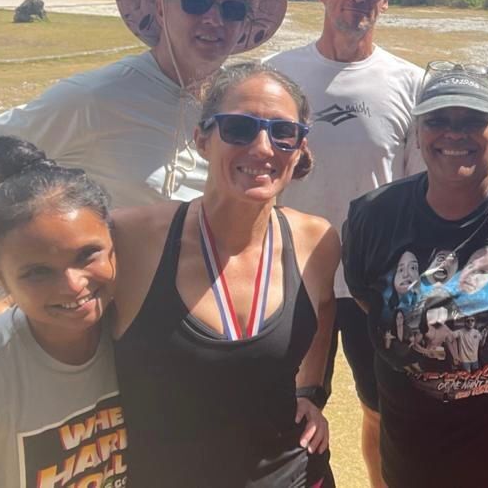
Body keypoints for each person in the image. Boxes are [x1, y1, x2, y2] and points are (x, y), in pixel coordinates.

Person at [0, 0, 288, 302]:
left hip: (210, 313)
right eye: (196, 1)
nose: (214, 19)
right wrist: (7, 288)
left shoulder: (235, 105)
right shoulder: (97, 97)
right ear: (159, 8)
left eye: (231, 9)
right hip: (120, 320)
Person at [109, 62, 340, 486]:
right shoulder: (133, 238)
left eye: (282, 132)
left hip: (292, 474)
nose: (263, 148)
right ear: (201, 139)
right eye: (239, 128)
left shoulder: (317, 241)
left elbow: (324, 307)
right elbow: (31, 304)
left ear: (299, 147)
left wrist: (310, 391)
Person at [342, 63, 488, 488]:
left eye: (473, 121)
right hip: (411, 463)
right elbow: (371, 301)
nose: (453, 133)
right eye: (438, 120)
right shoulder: (373, 214)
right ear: (418, 132)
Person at [265, 0, 423, 486]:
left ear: (385, 1)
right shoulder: (277, 75)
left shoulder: (408, 81)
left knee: (381, 411)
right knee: (285, 410)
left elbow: (414, 191)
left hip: (373, 285)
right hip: (289, 276)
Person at [0, 136, 125, 487]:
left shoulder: (141, 322)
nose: (72, 285)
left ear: (116, 242)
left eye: (86, 255)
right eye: (38, 271)